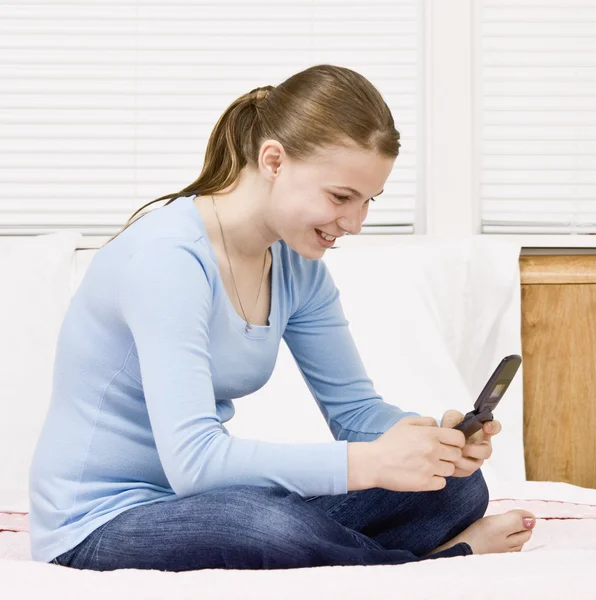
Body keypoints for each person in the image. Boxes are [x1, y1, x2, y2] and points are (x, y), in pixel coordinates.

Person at [29, 64, 536, 572]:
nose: (354, 223)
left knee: (452, 487)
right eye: (340, 197)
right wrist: (373, 463)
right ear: (273, 160)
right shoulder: (168, 260)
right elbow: (195, 463)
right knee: (265, 526)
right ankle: (434, 561)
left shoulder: (296, 264)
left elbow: (356, 414)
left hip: (211, 503)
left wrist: (430, 441)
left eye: (367, 202)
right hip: (102, 522)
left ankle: (358, 552)